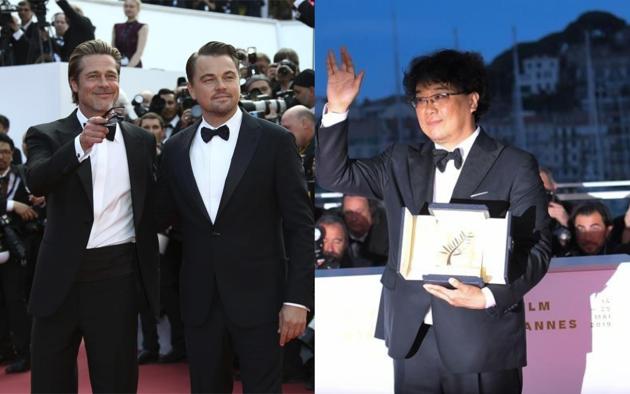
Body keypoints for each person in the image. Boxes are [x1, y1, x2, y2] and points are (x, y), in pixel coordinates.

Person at [317, 48, 552, 393]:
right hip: (412, 336)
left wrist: (488, 297)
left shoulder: (514, 165)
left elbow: (537, 247)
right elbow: (333, 174)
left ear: (472, 101)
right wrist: (336, 109)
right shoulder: (399, 160)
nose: (428, 108)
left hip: (481, 335)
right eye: (420, 99)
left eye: (440, 96)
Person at [157, 40, 313, 393]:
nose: (221, 85)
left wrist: (298, 298)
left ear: (240, 81)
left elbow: (300, 225)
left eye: (229, 76)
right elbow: (159, 214)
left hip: (263, 301)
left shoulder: (275, 141)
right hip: (199, 302)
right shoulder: (175, 148)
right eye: (209, 79)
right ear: (192, 88)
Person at [24, 39, 159, 393]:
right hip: (59, 279)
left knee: (116, 382)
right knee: (51, 382)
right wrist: (79, 146)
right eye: (93, 76)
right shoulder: (47, 135)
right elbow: (37, 179)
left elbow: (157, 203)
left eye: (111, 75)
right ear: (74, 83)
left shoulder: (141, 142)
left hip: (117, 277)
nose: (104, 83)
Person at [0, 133, 37, 373]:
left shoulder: (23, 175)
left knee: (16, 302)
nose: (1, 157)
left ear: (12, 154)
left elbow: (38, 204)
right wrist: (12, 205)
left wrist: (36, 202)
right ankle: (5, 349)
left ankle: (26, 353)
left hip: (18, 249)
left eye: (4, 152)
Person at [341, 195, 388, 266]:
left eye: (359, 212)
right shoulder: (337, 227)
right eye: (348, 213)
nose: (354, 218)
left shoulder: (389, 234)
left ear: (371, 211)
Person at [112, 0, 148, 68]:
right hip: (118, 65)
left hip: (133, 66)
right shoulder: (116, 27)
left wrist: (128, 68)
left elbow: (139, 52)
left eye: (131, 7)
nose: (128, 9)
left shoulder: (142, 27)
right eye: (126, 6)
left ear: (138, 9)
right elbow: (113, 49)